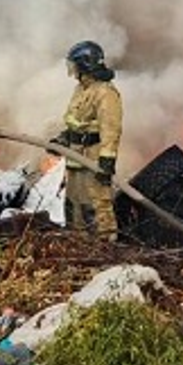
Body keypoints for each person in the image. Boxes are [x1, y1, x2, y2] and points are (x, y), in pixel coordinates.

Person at [54, 39, 122, 239]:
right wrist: (65, 137)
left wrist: (107, 161)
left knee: (95, 203)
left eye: (74, 65)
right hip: (75, 155)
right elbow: (77, 122)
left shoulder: (106, 93)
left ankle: (105, 243)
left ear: (85, 65)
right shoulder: (81, 89)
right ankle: (77, 241)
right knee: (74, 202)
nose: (72, 69)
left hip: (93, 157)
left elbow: (111, 129)